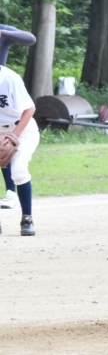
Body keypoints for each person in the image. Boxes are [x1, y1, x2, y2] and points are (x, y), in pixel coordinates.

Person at [0, 64, 40, 236]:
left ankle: (27, 219)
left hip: (23, 129)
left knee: (18, 169)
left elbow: (30, 109)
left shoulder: (10, 78)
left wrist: (14, 135)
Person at [0, 24, 36, 211]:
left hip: (4, 86)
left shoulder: (2, 30)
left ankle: (11, 192)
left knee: (6, 147)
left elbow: (30, 39)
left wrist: (3, 33)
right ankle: (10, 192)